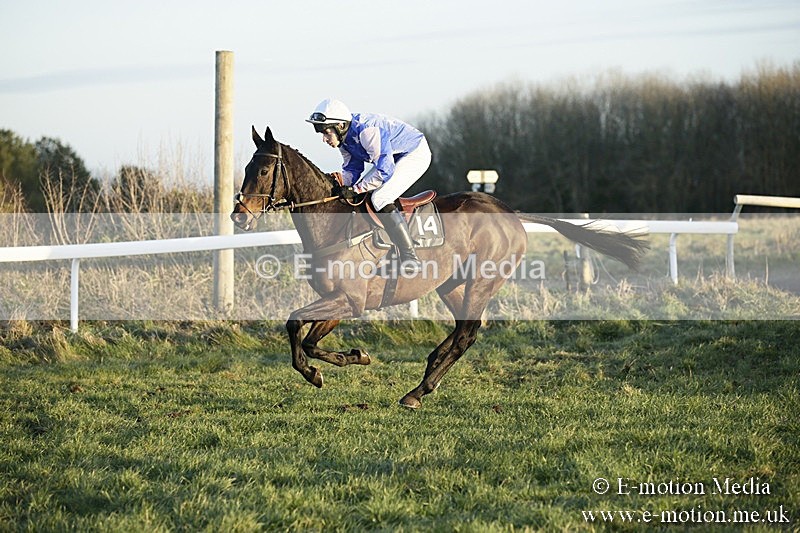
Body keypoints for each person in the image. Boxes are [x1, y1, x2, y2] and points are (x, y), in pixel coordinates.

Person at [306, 98, 431, 274]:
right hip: (391, 157)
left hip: (413, 153)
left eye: (326, 133)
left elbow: (385, 171)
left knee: (380, 197)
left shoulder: (367, 132)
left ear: (340, 126)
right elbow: (352, 169)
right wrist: (344, 188)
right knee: (361, 196)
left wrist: (355, 189)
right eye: (322, 134)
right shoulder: (344, 140)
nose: (324, 139)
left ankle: (410, 258)